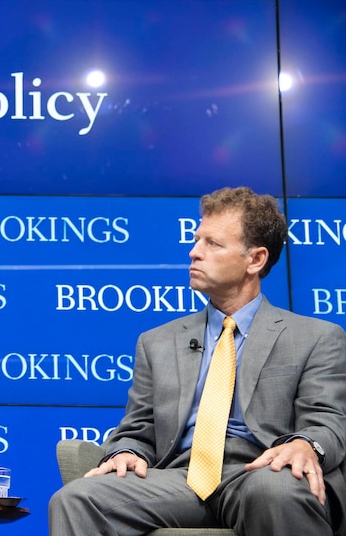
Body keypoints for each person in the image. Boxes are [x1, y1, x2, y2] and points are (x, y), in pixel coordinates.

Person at [49, 186, 346, 535]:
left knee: (274, 489)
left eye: (212, 244)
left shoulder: (316, 337)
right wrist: (127, 452)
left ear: (256, 259)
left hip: (262, 472)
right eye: (196, 240)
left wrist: (303, 445)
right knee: (75, 498)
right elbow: (137, 429)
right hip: (180, 480)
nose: (194, 253)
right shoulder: (157, 342)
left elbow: (328, 422)